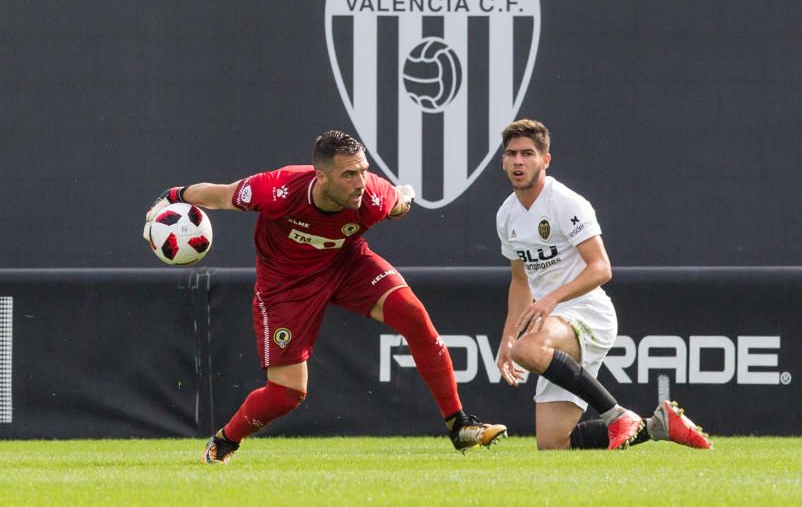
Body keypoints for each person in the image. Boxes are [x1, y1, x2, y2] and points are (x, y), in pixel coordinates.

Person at [144, 130, 506, 464]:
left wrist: (402, 202)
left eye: (364, 171)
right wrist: (172, 196)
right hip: (285, 287)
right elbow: (221, 196)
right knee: (287, 394)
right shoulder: (278, 189)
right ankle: (226, 440)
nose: (360, 182)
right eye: (349, 175)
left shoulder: (373, 196)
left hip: (347, 265)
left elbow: (397, 205)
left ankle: (458, 424)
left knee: (412, 315)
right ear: (321, 176)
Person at [494, 119, 711, 451]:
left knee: (528, 349)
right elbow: (520, 281)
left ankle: (615, 413)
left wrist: (550, 300)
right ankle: (658, 426)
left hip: (587, 312)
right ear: (504, 161)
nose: (518, 162)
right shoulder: (506, 214)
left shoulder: (565, 203)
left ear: (545, 160)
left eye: (528, 154)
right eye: (511, 154)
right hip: (552, 319)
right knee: (553, 443)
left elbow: (601, 268)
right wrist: (508, 337)